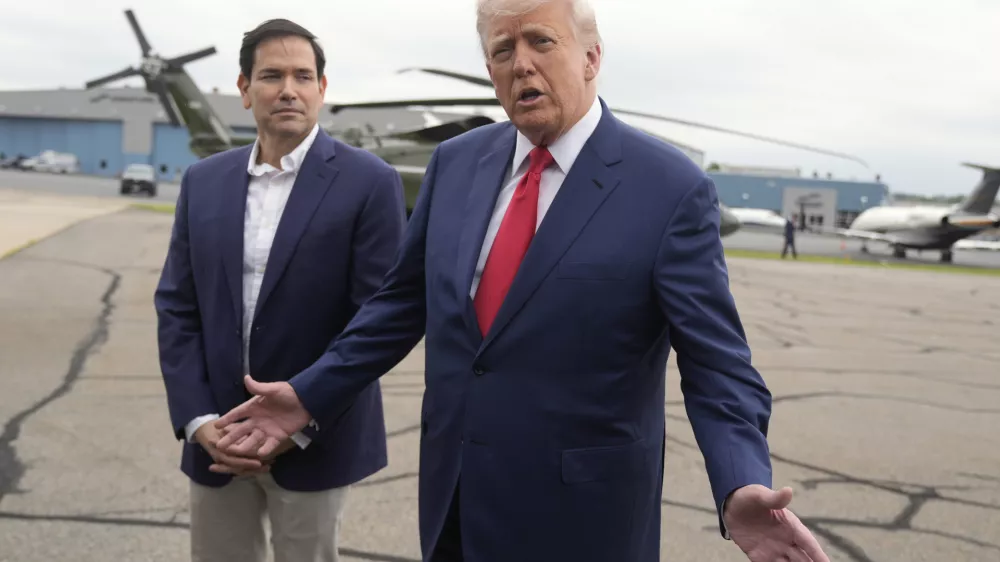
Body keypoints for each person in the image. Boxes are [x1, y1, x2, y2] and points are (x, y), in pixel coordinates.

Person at [214, 1, 830, 561]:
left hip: (583, 519)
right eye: (503, 50)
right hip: (454, 501)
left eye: (542, 41)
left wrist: (741, 480)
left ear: (591, 58)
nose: (522, 64)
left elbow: (717, 363)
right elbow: (399, 305)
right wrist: (309, 394)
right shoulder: (456, 164)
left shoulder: (669, 188)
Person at [154, 18, 406, 562]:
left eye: (302, 76)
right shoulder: (203, 181)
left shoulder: (370, 182)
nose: (288, 89)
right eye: (271, 76)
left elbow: (376, 319)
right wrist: (199, 420)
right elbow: (177, 305)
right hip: (218, 440)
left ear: (321, 88)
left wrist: (303, 414)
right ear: (245, 90)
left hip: (315, 439)